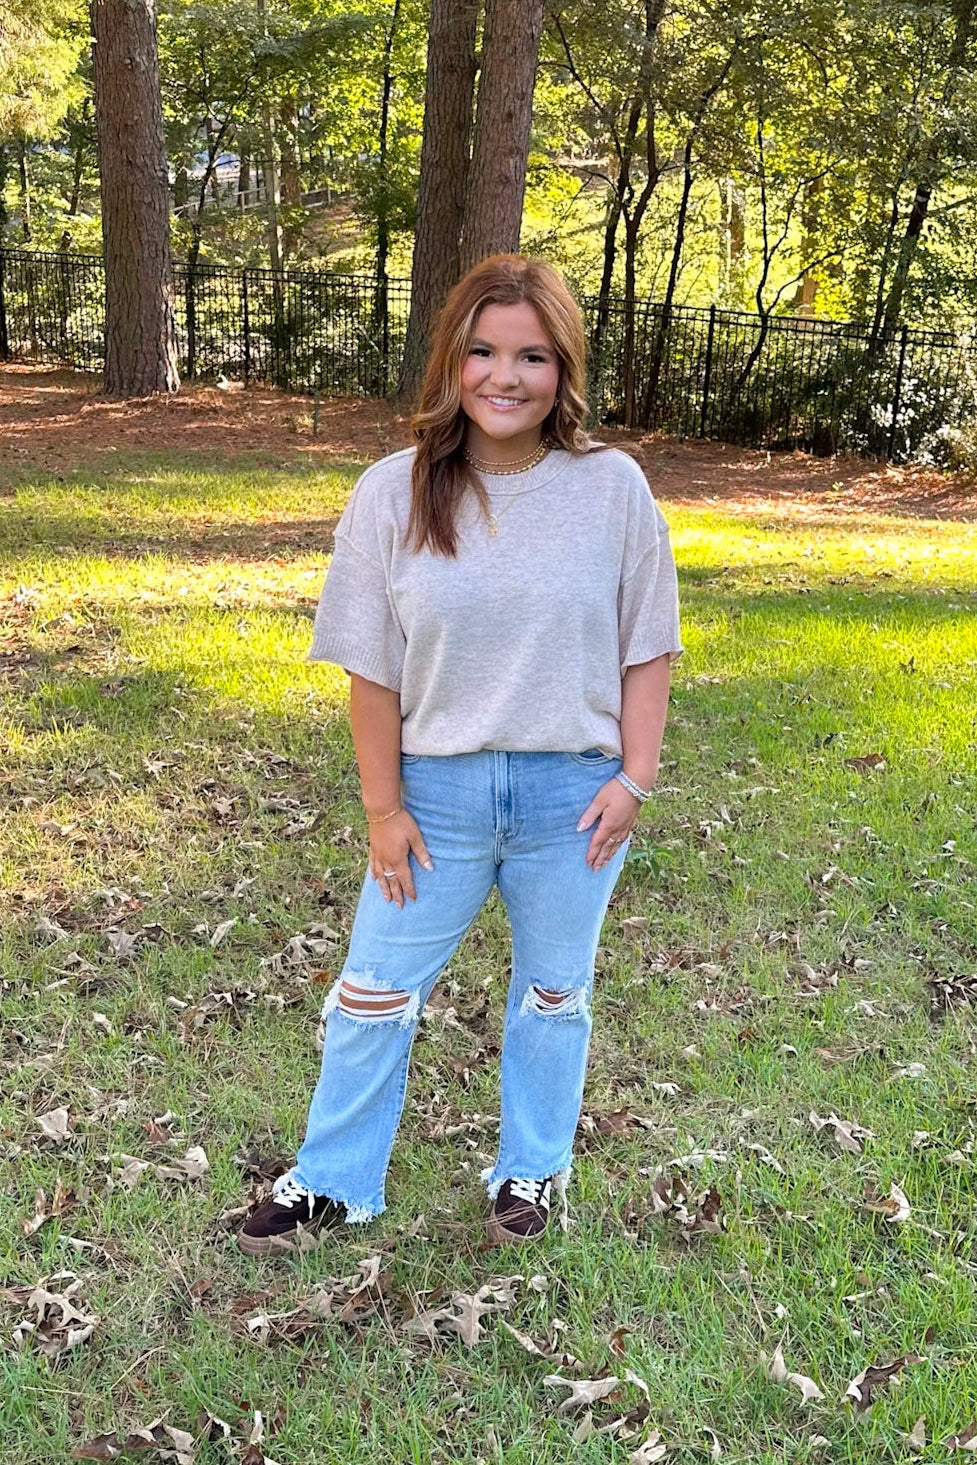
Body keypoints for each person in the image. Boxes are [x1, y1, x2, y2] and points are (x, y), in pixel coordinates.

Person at [239, 254, 682, 1255]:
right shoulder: (391, 493)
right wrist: (383, 808)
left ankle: (531, 1168)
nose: (504, 376)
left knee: (554, 994)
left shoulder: (611, 489)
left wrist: (634, 779)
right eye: (483, 351)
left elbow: (646, 646)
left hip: (572, 796)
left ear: (563, 369)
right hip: (433, 796)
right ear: (450, 359)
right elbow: (371, 669)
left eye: (532, 356)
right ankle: (334, 1181)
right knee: (372, 992)